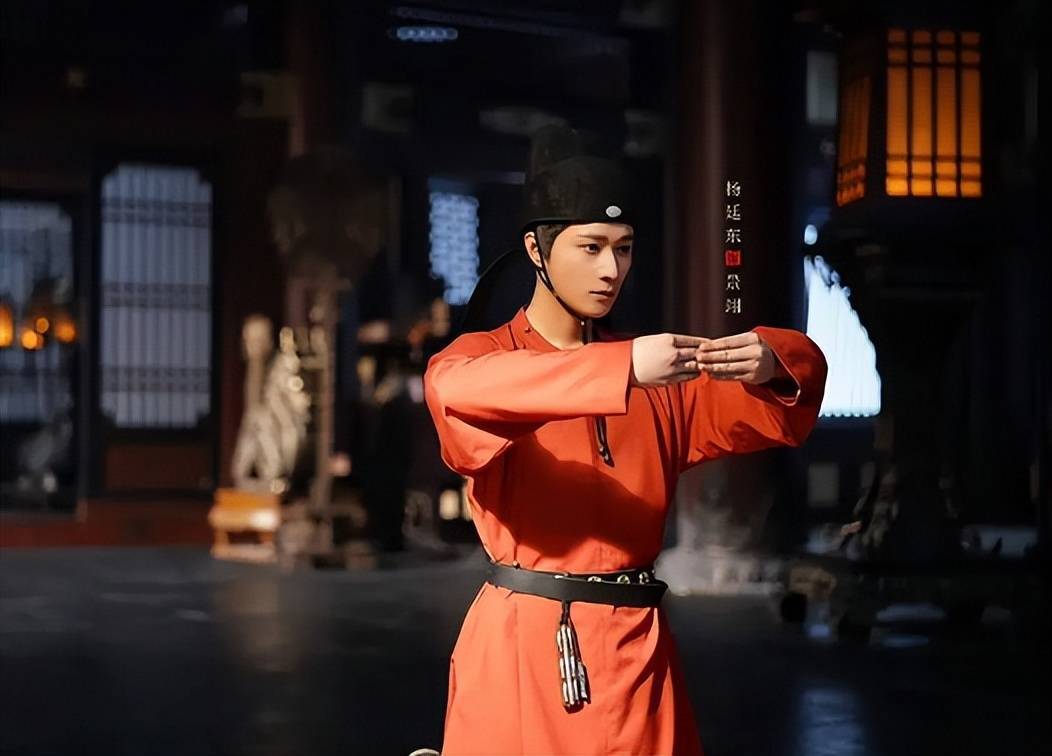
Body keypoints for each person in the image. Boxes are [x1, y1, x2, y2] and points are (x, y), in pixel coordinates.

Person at [423, 126, 827, 755]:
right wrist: (624, 368)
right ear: (536, 250)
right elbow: (459, 392)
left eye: (624, 248)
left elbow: (780, 398)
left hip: (638, 649)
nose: (610, 270)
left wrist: (774, 360)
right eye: (590, 247)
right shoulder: (485, 358)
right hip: (525, 648)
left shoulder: (656, 372)